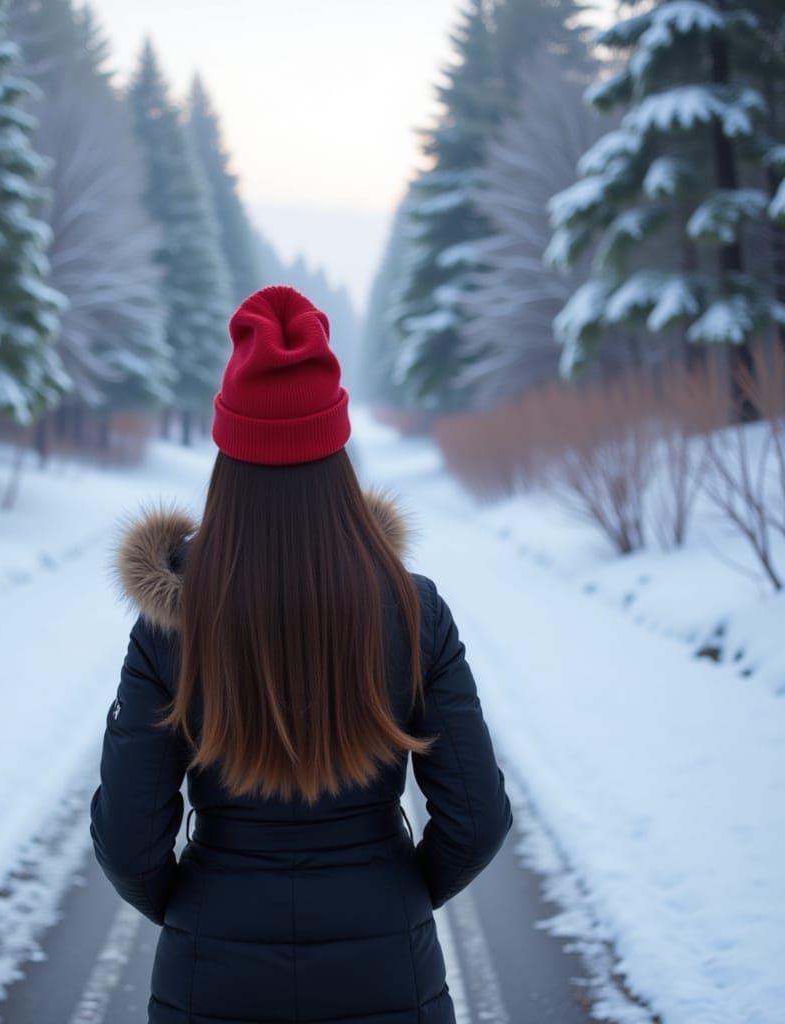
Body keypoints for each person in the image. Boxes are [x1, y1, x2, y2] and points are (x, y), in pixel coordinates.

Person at [90, 284, 512, 1023]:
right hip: (390, 977)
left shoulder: (172, 621)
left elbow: (129, 843)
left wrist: (197, 909)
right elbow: (477, 822)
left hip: (210, 981)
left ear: (228, 459)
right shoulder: (412, 609)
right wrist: (395, 895)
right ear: (339, 455)